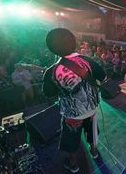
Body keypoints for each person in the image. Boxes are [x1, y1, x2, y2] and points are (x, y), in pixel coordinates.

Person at [42, 28, 106, 173]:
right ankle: (94, 151)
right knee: (92, 132)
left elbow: (48, 93)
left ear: (52, 48)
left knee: (70, 140)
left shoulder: (52, 71)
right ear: (73, 42)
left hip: (72, 115)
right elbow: (102, 76)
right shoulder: (88, 60)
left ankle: (73, 163)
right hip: (91, 109)